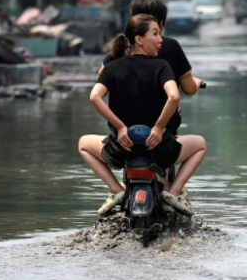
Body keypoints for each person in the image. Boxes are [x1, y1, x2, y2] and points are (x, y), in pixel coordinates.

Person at [79, 14, 207, 216]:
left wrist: (120, 127)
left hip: (123, 148)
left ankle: (117, 191)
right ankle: (173, 194)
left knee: (83, 144)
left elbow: (95, 97)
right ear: (139, 39)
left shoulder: (111, 68)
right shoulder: (162, 66)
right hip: (159, 148)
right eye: (155, 34)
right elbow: (174, 97)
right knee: (200, 144)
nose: (160, 40)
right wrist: (159, 127)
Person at [99, 0, 204, 134]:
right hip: (162, 131)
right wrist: (197, 82)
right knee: (199, 145)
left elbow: (101, 78)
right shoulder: (170, 47)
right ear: (160, 24)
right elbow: (189, 89)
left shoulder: (121, 45)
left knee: (86, 145)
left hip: (123, 130)